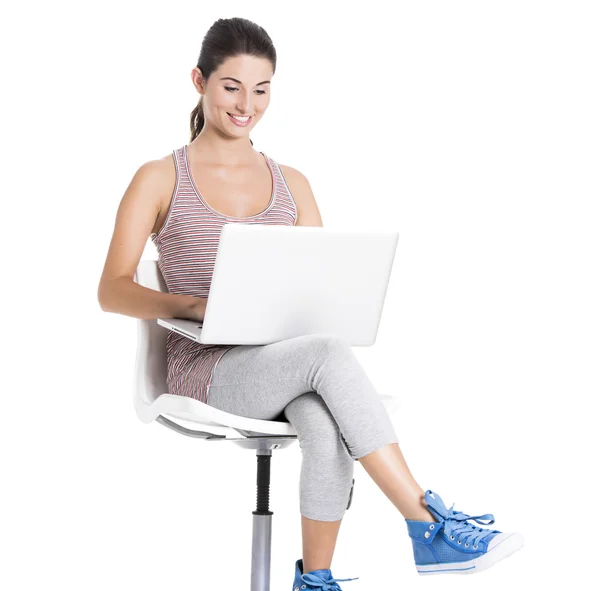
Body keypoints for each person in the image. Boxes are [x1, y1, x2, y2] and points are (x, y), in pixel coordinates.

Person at [97, 16, 524, 589]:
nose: (246, 104)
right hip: (204, 367)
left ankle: (316, 579)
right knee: (323, 354)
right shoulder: (158, 177)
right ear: (199, 81)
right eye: (231, 86)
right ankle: (427, 523)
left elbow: (316, 287)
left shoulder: (292, 182)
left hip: (284, 359)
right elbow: (112, 289)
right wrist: (191, 304)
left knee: (324, 421)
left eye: (261, 88)